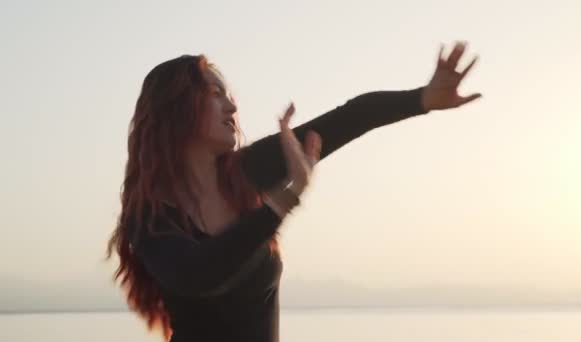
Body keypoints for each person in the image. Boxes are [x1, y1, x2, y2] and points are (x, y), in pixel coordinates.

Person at [106, 41, 481, 342]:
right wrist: (280, 203)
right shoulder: (150, 217)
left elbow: (352, 117)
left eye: (228, 95)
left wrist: (423, 98)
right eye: (215, 94)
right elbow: (198, 274)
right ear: (177, 107)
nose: (232, 106)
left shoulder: (248, 170)